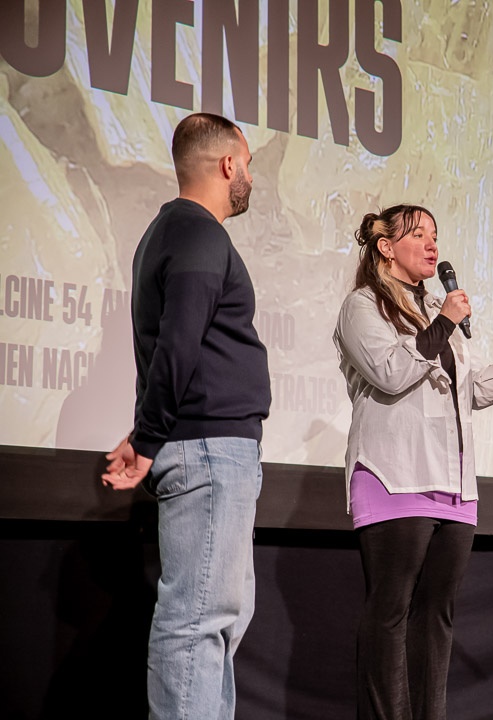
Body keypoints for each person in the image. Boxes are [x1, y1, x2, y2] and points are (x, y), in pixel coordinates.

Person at [333, 203, 493, 720]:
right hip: (394, 477)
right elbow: (391, 373)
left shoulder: (429, 315)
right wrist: (443, 320)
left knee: (436, 617)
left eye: (435, 236)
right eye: (418, 235)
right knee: (391, 613)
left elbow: (465, 393)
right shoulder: (363, 306)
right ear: (385, 246)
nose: (432, 245)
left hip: (454, 486)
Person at [100, 112, 271, 720]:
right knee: (197, 623)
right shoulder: (198, 234)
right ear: (228, 164)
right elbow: (177, 344)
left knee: (216, 619)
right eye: (247, 163)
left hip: (207, 446)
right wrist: (149, 438)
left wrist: (143, 433)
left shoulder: (173, 232)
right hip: (208, 450)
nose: (250, 175)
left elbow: (175, 349)